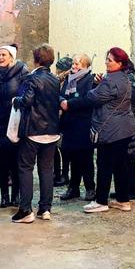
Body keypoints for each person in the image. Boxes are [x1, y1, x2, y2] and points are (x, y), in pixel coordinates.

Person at [65, 47, 135, 213]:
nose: (106, 62)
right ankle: (123, 200)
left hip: (111, 129)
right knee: (120, 166)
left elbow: (92, 97)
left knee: (104, 165)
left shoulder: (111, 80)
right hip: (123, 128)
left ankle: (101, 201)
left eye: (110, 60)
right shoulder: (124, 77)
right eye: (106, 59)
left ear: (119, 63)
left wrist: (95, 86)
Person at [12, 44, 61, 223]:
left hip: (33, 130)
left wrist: (16, 100)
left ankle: (25, 210)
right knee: (47, 169)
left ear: (36, 59)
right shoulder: (55, 80)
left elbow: (27, 100)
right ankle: (45, 209)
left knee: (25, 168)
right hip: (52, 130)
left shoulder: (31, 78)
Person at [0, 45, 28, 208]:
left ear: (12, 57)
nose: (0, 58)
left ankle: (16, 196)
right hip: (0, 121)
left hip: (15, 121)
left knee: (17, 160)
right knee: (3, 160)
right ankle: (4, 197)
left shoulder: (22, 72)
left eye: (4, 55)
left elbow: (26, 95)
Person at [58, 54, 96, 201]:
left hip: (83, 124)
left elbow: (88, 99)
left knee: (85, 158)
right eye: (73, 64)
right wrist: (62, 100)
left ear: (86, 67)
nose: (74, 67)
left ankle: (90, 188)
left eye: (78, 65)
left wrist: (69, 104)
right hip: (69, 125)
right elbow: (61, 95)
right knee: (72, 157)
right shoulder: (69, 79)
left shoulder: (90, 80)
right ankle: (73, 188)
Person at [53, 56, 73, 187]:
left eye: (59, 70)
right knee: (55, 149)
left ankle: (64, 174)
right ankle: (57, 173)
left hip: (64, 119)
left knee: (64, 149)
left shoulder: (71, 81)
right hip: (55, 118)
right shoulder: (57, 80)